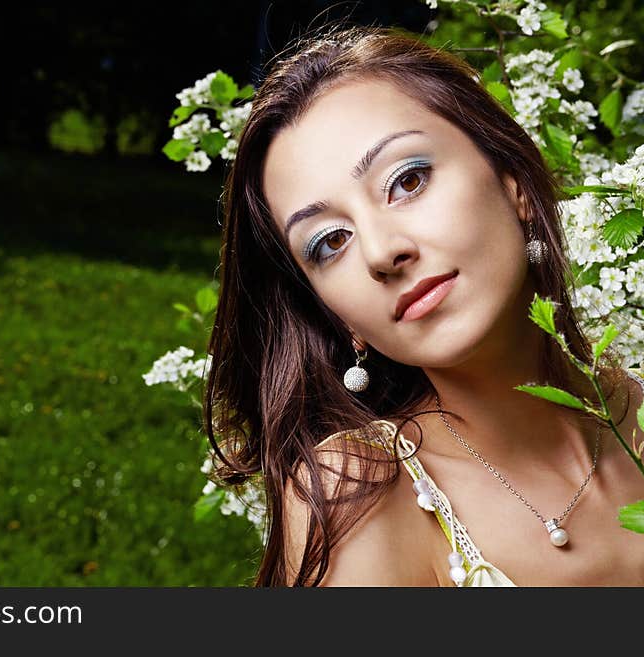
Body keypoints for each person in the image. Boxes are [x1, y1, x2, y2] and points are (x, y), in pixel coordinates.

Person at [201, 25, 644, 586]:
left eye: (407, 180)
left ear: (516, 185)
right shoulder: (357, 496)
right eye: (330, 242)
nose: (383, 252)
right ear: (336, 314)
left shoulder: (637, 408)